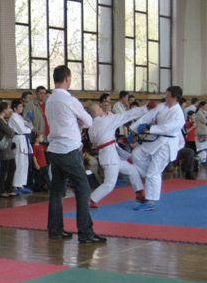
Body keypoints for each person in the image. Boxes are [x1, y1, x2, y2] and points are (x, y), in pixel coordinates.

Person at [45, 65, 105, 243]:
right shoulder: (70, 100)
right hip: (69, 149)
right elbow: (88, 121)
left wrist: (73, 122)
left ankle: (55, 230)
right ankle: (85, 233)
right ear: (67, 79)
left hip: (54, 149)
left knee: (57, 192)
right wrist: (78, 122)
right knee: (83, 189)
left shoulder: (50, 100)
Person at [129, 86, 186, 211]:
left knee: (153, 172)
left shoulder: (179, 114)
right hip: (156, 139)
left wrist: (149, 129)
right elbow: (147, 117)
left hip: (167, 144)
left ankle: (150, 202)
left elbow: (167, 128)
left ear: (174, 97)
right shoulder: (162, 106)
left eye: (167, 95)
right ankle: (151, 176)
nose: (165, 97)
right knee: (136, 154)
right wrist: (133, 129)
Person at [87, 103, 147, 207]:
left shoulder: (91, 127)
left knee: (132, 170)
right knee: (109, 183)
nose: (101, 108)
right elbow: (127, 115)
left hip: (110, 156)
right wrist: (145, 108)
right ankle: (91, 199)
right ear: (96, 112)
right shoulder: (105, 121)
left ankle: (139, 193)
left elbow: (97, 140)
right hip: (110, 158)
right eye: (99, 107)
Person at [9, 99, 34, 195]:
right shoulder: (13, 117)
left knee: (24, 163)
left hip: (23, 140)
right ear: (15, 108)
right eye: (20, 106)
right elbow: (22, 130)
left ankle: (21, 184)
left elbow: (30, 127)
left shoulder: (19, 117)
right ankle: (15, 185)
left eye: (22, 106)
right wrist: (28, 128)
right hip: (18, 140)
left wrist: (29, 121)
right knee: (18, 163)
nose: (22, 108)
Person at [0, 102, 17, 198]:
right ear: (4, 110)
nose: (9, 110)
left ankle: (8, 188)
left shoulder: (3, 120)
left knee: (12, 167)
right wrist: (10, 132)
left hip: (8, 146)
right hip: (4, 147)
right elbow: (11, 132)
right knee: (4, 169)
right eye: (8, 108)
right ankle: (2, 189)